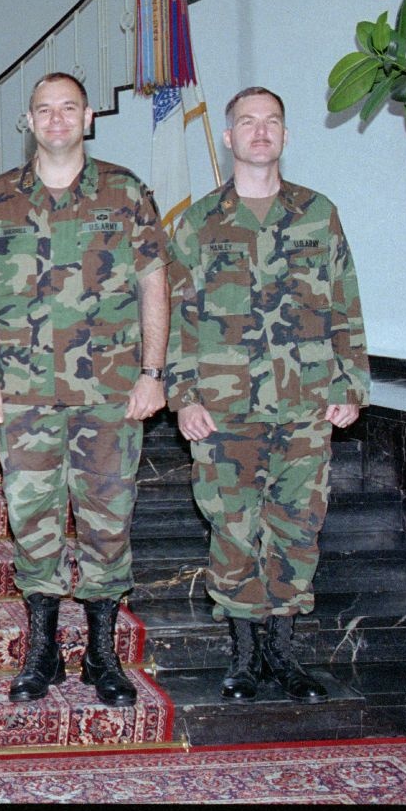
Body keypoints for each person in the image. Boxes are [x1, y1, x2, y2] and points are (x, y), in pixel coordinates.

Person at [166, 86, 369, 703]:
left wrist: (351, 382)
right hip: (224, 409)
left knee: (296, 528)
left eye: (271, 122)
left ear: (285, 134)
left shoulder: (318, 213)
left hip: (305, 404)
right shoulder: (199, 222)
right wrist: (183, 395)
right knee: (232, 528)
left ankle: (284, 654)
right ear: (227, 138)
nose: (260, 132)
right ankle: (243, 656)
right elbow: (179, 316)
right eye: (247, 123)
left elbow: (345, 303)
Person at [0, 72, 170, 707]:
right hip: (26, 392)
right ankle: (43, 651)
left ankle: (103, 656)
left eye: (68, 109)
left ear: (88, 118)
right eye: (43, 110)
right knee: (33, 522)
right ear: (27, 121)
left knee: (107, 521)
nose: (56, 120)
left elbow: (153, 284)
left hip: (110, 392)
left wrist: (153, 372)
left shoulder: (124, 191)